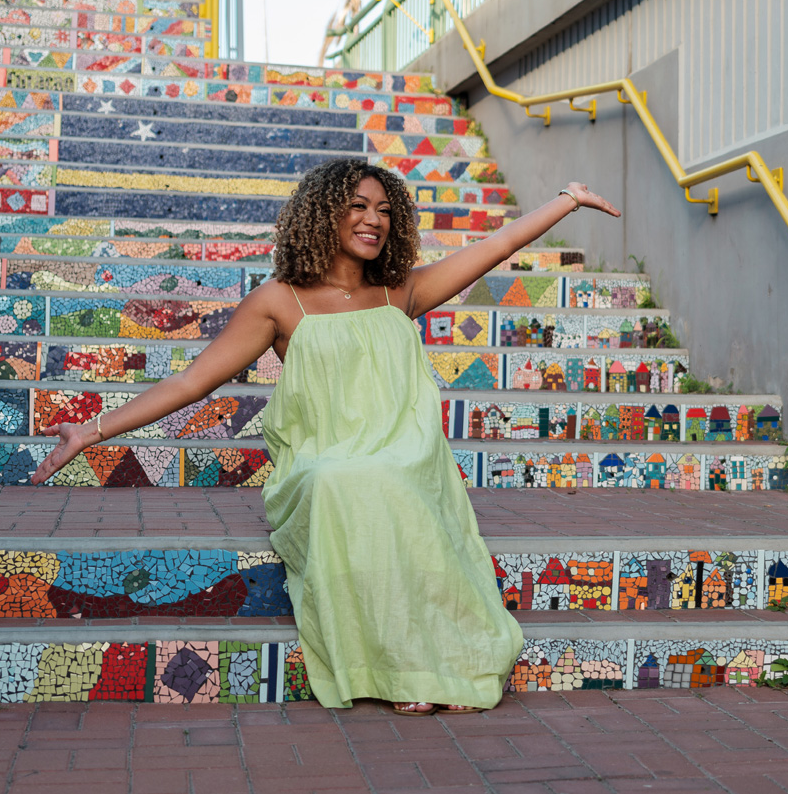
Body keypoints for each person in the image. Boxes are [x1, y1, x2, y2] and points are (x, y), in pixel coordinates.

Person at [33, 158, 622, 715]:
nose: (374, 220)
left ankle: (445, 665)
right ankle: (399, 668)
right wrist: (90, 431)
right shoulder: (278, 302)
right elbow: (191, 382)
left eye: (385, 210)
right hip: (322, 462)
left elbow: (498, 245)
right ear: (324, 214)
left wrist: (567, 200)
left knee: (388, 478)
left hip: (404, 455)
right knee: (346, 481)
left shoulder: (401, 292)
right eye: (359, 206)